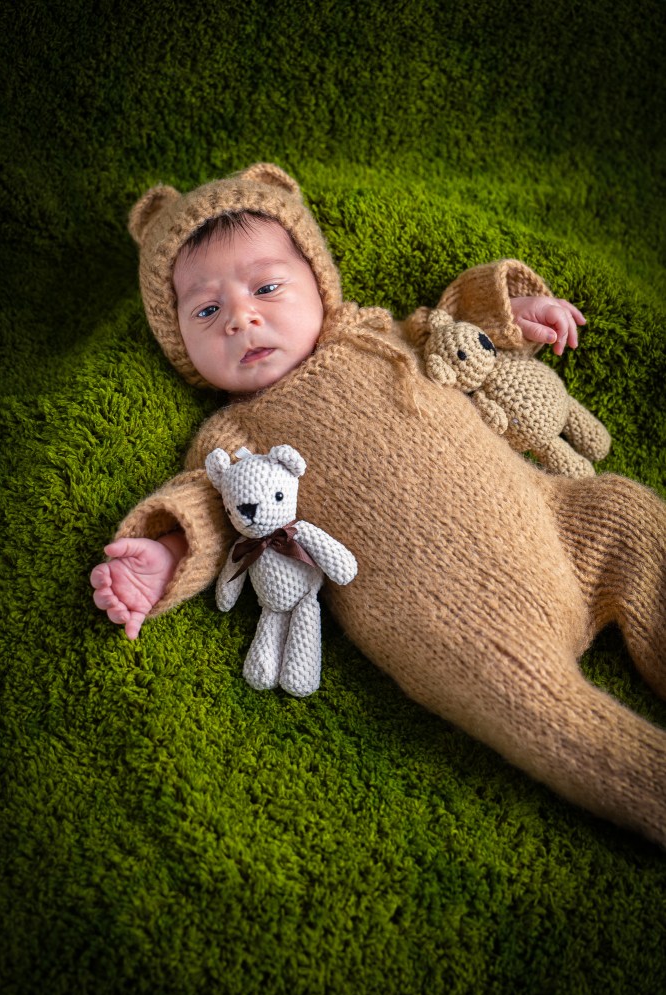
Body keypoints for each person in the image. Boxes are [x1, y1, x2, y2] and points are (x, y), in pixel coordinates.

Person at [91, 163, 666, 847]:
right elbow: (220, 511)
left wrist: (513, 318)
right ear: (180, 346)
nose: (242, 318)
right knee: (533, 703)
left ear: (319, 284)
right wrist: (165, 552)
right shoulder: (236, 436)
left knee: (627, 515)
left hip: (551, 520)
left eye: (267, 288)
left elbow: (453, 331)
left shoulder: (377, 334)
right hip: (443, 613)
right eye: (207, 312)